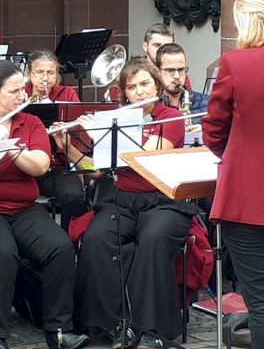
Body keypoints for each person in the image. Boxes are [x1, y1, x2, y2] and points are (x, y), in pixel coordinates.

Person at [0, 60, 89, 349]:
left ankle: (59, 331)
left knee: (59, 247)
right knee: (2, 252)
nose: (22, 96)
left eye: (22, 89)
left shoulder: (31, 123)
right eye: (14, 91)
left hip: (23, 208)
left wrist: (8, 148)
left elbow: (40, 166)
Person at [73, 57, 196, 349]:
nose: (139, 92)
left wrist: (101, 137)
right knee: (96, 238)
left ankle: (153, 330)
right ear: (124, 93)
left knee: (153, 239)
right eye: (132, 87)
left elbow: (148, 158)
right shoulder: (114, 119)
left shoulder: (171, 117)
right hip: (121, 200)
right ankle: (107, 324)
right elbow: (98, 170)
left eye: (145, 84)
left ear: (156, 84)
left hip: (164, 200)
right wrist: (69, 147)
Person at [202, 0, 264, 349]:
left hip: (246, 196)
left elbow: (213, 130)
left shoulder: (236, 63)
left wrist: (236, 151)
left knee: (259, 303)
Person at [24, 50, 87, 231]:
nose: (45, 77)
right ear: (30, 74)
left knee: (74, 195)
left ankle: (71, 242)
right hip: (25, 164)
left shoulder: (67, 94)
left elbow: (79, 132)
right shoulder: (20, 95)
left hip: (57, 166)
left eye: (50, 73)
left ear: (57, 75)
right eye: (39, 72)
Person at [155, 43, 208, 124]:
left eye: (181, 70)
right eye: (170, 70)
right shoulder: (151, 106)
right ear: (158, 72)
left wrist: (205, 130)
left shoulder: (207, 102)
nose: (177, 76)